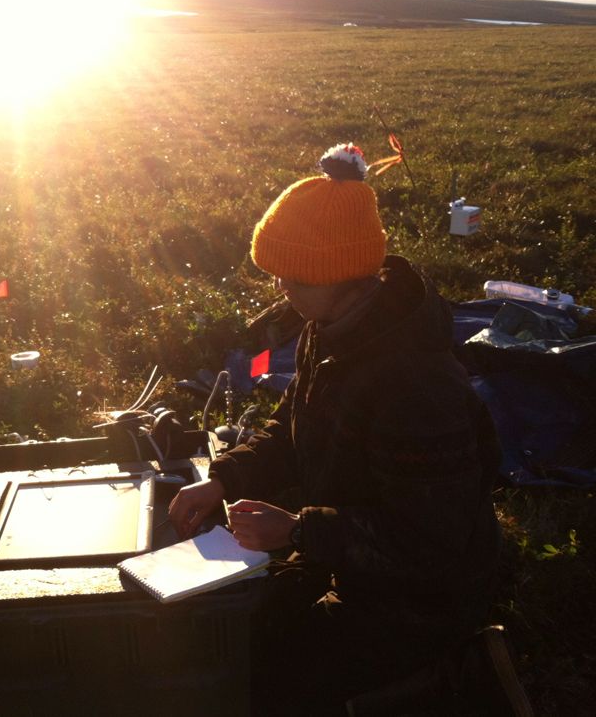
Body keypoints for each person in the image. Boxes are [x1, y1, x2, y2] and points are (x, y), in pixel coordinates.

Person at [168, 144, 517, 715]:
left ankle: (449, 672)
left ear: (343, 275)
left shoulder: (415, 387)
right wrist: (224, 479)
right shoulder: (329, 327)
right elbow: (293, 424)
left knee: (260, 685)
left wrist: (298, 531)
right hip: (343, 559)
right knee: (227, 640)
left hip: (419, 598)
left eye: (294, 278)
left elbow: (430, 542)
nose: (281, 289)